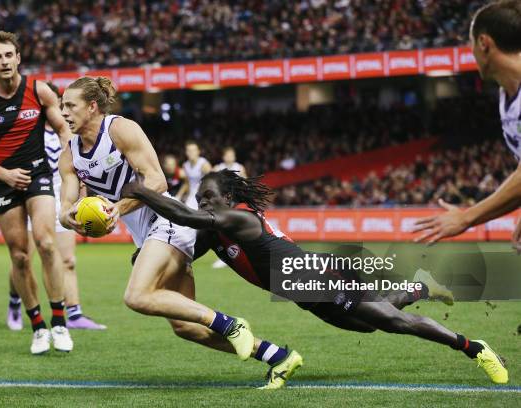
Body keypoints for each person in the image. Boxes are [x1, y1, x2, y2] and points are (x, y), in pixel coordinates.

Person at [121, 170, 508, 385]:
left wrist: (140, 191)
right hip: (302, 291)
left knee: (393, 322)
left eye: (209, 197)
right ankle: (421, 286)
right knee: (370, 324)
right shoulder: (213, 230)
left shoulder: (240, 217)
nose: (202, 203)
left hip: (314, 277)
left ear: (229, 197)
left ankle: (475, 348)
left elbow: (186, 218)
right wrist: (147, 258)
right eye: (200, 198)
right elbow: (183, 253)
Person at [58, 76, 282, 381]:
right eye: (62, 106)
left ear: (92, 106)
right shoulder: (69, 154)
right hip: (147, 236)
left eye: (70, 105)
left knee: (136, 296)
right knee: (187, 328)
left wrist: (116, 209)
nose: (64, 112)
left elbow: (157, 181)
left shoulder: (119, 129)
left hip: (168, 221)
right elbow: (66, 207)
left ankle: (231, 324)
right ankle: (276, 356)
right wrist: (72, 219)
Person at [0, 31, 73, 354]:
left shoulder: (38, 90)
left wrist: (70, 154)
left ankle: (59, 322)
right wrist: (5, 174)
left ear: (18, 58)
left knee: (45, 242)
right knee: (19, 256)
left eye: (8, 55)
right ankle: (38, 326)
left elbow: (63, 126)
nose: (4, 62)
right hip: (2, 182)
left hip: (39, 173)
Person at [413, 0, 521, 245]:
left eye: (470, 43)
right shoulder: (507, 94)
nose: (470, 51)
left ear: (484, 43)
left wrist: (466, 218)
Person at [7, 82, 106, 331]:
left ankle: (74, 314)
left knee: (68, 260)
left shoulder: (70, 132)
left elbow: (77, 169)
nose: (62, 108)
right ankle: (15, 302)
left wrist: (82, 195)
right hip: (33, 198)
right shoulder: (27, 130)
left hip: (62, 196)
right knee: (23, 259)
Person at [212, 147, 246, 268]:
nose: (230, 157)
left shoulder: (240, 168)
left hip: (235, 202)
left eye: (232, 155)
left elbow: (245, 184)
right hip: (221, 203)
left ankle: (236, 253)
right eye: (228, 155)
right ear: (224, 156)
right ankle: (226, 255)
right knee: (222, 227)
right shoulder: (217, 168)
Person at [176, 141, 211, 209]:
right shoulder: (185, 165)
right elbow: (186, 183)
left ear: (198, 152)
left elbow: (212, 182)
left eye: (193, 150)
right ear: (186, 152)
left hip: (203, 195)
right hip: (191, 195)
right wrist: (178, 196)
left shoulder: (204, 164)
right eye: (189, 150)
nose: (191, 153)